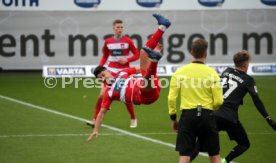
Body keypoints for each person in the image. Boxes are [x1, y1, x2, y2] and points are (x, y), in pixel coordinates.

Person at [86, 13, 171, 142]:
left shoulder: (123, 72)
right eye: (100, 79)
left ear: (108, 71)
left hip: (150, 83)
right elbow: (102, 114)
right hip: (146, 96)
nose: (103, 79)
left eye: (103, 75)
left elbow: (138, 67)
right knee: (145, 81)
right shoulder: (109, 94)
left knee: (144, 52)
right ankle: (154, 60)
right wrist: (96, 129)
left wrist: (144, 61)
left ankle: (163, 26)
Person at [191, 50, 276, 163]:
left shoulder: (226, 71)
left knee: (198, 147)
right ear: (245, 65)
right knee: (244, 144)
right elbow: (257, 101)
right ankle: (225, 161)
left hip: (214, 114)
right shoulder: (248, 80)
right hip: (230, 118)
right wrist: (269, 120)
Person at [168, 38, 224, 163]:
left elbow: (171, 98)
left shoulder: (179, 72)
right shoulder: (212, 73)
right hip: (207, 115)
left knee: (185, 155)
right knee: (214, 155)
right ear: (206, 53)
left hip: (188, 116)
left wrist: (173, 118)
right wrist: (209, 109)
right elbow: (219, 101)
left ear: (191, 52)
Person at [87, 19, 140, 128]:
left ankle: (133, 118)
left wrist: (127, 60)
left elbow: (137, 54)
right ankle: (95, 119)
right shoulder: (108, 42)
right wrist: (100, 67)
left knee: (126, 96)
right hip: (110, 71)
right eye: (118, 27)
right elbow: (105, 56)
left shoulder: (128, 41)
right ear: (113, 28)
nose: (120, 29)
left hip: (124, 72)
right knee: (102, 95)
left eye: (121, 27)